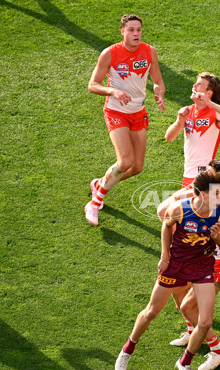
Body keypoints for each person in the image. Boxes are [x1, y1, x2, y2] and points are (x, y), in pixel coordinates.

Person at [114, 170, 220, 370]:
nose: (219, 198)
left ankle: (185, 363)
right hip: (175, 267)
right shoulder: (180, 209)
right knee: (151, 313)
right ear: (201, 194)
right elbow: (166, 226)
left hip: (202, 268)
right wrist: (164, 256)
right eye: (215, 194)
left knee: (205, 322)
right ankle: (127, 349)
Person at [158, 160, 220, 370]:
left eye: (210, 174)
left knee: (188, 306)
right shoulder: (204, 198)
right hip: (203, 259)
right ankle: (192, 332)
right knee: (180, 293)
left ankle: (218, 351)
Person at [85, 14, 166, 226]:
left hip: (138, 113)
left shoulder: (149, 52)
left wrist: (159, 93)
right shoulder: (110, 53)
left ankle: (101, 184)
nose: (136, 33)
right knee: (125, 161)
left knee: (137, 167)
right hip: (116, 112)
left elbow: (157, 80)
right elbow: (93, 84)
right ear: (122, 31)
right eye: (131, 30)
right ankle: (95, 203)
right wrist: (113, 91)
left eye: (138, 29)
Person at [165, 72, 220, 189]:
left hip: (204, 175)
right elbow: (169, 138)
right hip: (188, 174)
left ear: (208, 93)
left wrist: (210, 103)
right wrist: (180, 121)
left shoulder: (214, 113)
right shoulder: (188, 111)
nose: (194, 86)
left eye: (199, 85)